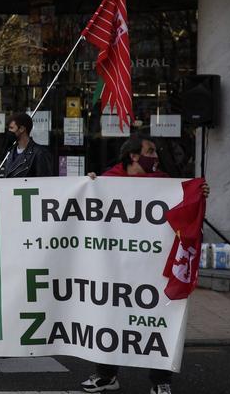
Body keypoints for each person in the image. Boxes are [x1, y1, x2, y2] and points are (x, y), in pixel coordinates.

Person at [81, 134, 209, 394]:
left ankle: (161, 381)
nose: (157, 157)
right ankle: (106, 375)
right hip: (115, 266)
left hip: (152, 266)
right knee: (109, 316)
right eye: (151, 151)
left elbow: (185, 209)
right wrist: (88, 185)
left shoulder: (164, 184)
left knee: (159, 317)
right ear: (134, 156)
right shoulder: (108, 181)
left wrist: (199, 193)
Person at [0, 112, 53, 178]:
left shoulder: (39, 153)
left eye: (11, 128)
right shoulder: (10, 152)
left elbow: (44, 181)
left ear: (22, 129)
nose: (9, 131)